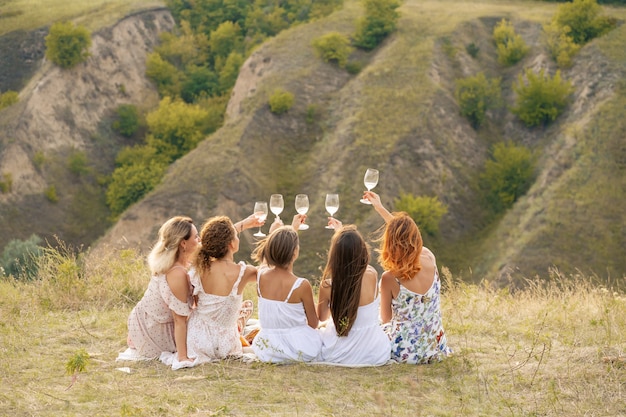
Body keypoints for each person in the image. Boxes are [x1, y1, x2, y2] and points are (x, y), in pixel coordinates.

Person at [363, 191, 452, 364]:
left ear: (389, 242)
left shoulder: (390, 278)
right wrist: (380, 208)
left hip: (405, 352)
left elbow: (386, 319)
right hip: (435, 347)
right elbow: (405, 237)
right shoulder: (429, 257)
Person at [119, 216, 200, 369]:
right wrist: (182, 357)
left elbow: (216, 241)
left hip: (142, 322)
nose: (199, 239)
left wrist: (243, 225)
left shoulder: (169, 261)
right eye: (196, 237)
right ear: (183, 243)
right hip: (154, 333)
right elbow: (179, 319)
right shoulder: (177, 274)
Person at [184, 215, 258, 365]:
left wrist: (242, 225)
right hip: (225, 345)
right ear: (231, 244)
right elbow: (272, 271)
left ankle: (241, 319)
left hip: (197, 341)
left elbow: (214, 241)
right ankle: (241, 319)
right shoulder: (244, 272)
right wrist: (285, 231)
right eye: (236, 236)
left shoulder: (199, 268)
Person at [316, 222, 391, 366]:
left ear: (334, 256)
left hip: (339, 352)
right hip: (374, 352)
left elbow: (322, 317)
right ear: (362, 250)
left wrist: (340, 239)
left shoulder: (327, 286)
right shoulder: (372, 274)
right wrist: (343, 234)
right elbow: (354, 265)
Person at [251, 215, 322, 363]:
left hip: (267, 348)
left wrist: (285, 230)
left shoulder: (260, 276)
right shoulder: (301, 285)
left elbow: (266, 260)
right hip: (298, 348)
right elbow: (313, 323)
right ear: (294, 253)